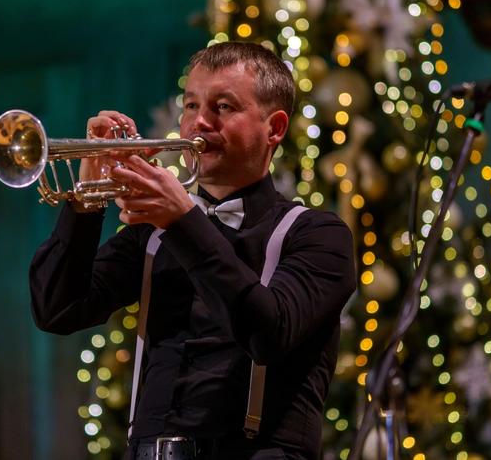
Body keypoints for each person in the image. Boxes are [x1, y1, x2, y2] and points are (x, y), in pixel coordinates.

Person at [29, 42, 356, 460]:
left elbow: (268, 333)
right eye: (191, 105)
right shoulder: (154, 232)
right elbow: (57, 309)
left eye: (223, 107)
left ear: (274, 128)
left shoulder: (318, 235)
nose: (199, 122)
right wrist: (87, 198)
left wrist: (184, 222)